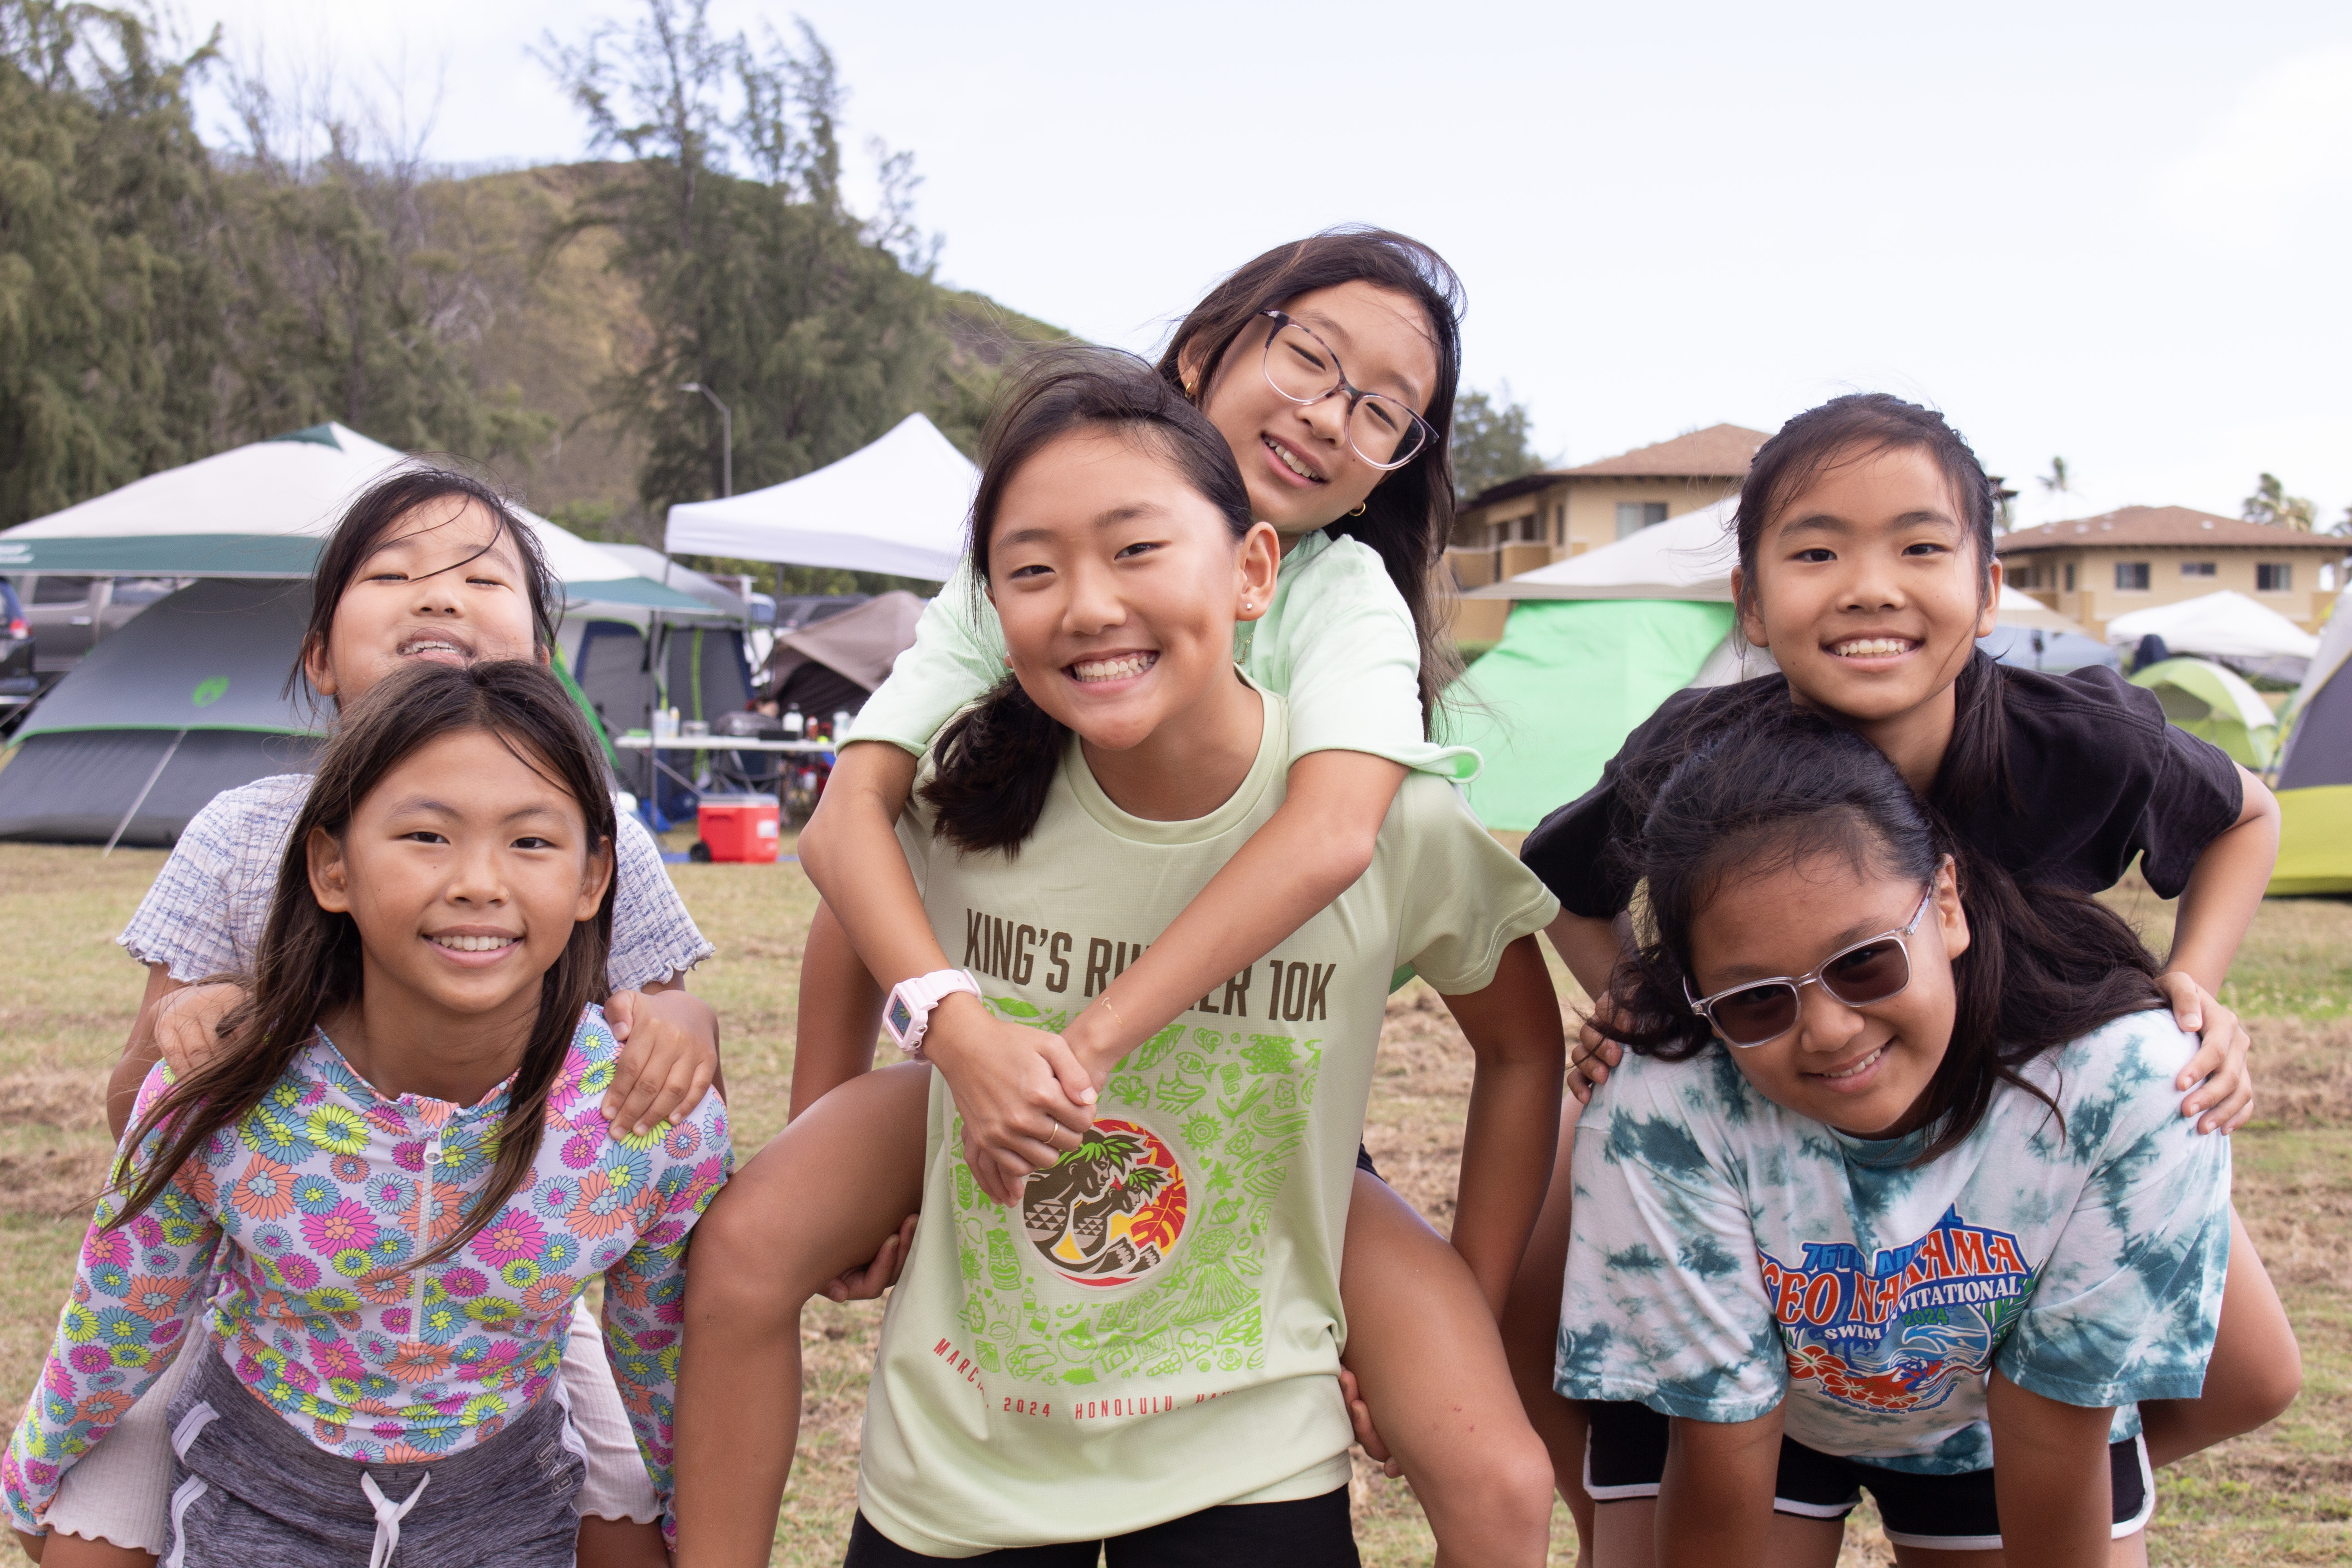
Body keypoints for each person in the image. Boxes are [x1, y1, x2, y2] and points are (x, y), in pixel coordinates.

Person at [672, 350, 1565, 1566]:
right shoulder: (964, 792)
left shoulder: (1384, 816)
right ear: (991, 612)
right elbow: (849, 905)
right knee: (737, 1246)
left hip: (1245, 1442)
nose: (1088, 606)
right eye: (1033, 572)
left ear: (1253, 571)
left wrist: (1467, 1298)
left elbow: (1519, 1044)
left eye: (1136, 550)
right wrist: (900, 1077)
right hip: (964, 1458)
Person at [1511, 393, 2299, 1553]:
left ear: (1989, 590)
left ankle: (1952, 1450)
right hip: (1772, 1103)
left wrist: (2197, 984)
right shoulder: (1699, 756)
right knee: (1562, 1242)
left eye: (1921, 548)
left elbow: (2247, 817)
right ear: (1749, 602)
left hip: (2013, 1112)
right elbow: (1560, 882)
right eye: (1817, 553)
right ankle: (1656, 1477)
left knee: (2258, 1373)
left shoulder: (2071, 734)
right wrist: (1637, 995)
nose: (1870, 587)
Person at [53, 467, 722, 1568]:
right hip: (258, 1284)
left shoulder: (604, 831)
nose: (440, 596)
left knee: (628, 1515)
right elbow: (143, 1111)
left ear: (539, 657)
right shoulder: (241, 832)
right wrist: (198, 1028)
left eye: (481, 579)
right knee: (88, 1529)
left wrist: (687, 1019)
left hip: (513, 1290)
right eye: (393, 574)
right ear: (319, 656)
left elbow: (661, 1081)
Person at [1556, 707, 2289, 1565]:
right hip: (1727, 1415)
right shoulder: (1665, 1104)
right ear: (1698, 998)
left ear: (1946, 903)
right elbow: (1720, 1444)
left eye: (1864, 961)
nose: (1829, 1031)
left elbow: (2054, 1429)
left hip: (1989, 1423)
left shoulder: (2125, 1083)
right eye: (1755, 1000)